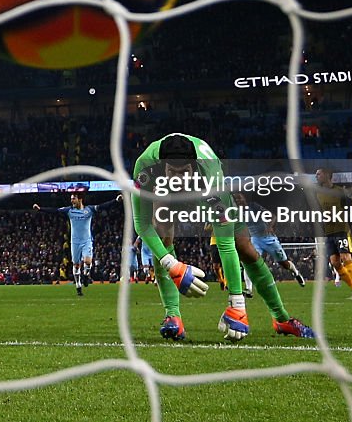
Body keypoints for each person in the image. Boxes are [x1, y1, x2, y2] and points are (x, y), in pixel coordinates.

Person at [132, 133, 314, 342]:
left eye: (184, 172)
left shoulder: (212, 177)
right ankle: (173, 316)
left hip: (202, 192)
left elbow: (225, 244)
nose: (178, 178)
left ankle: (282, 319)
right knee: (161, 235)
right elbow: (142, 224)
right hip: (163, 193)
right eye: (172, 171)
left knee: (244, 247)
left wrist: (237, 305)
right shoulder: (144, 168)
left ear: (194, 166)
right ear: (161, 166)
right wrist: (171, 264)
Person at [33, 192, 122, 296]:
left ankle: (85, 275)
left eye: (73, 198)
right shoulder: (69, 210)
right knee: (76, 265)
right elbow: (55, 211)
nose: (72, 201)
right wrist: (40, 209)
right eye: (71, 199)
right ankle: (78, 286)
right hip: (75, 242)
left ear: (80, 199)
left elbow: (103, 206)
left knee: (88, 262)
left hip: (86, 241)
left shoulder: (89, 210)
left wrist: (116, 200)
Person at [314, 168, 352, 300]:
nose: (316, 176)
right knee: (335, 262)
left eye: (319, 174)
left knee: (346, 258)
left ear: (327, 175)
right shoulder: (318, 193)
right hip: (328, 232)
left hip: (341, 229)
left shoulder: (340, 191)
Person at [244, 197, 307, 287]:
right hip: (255, 240)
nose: (238, 200)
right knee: (250, 262)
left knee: (284, 264)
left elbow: (273, 216)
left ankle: (296, 273)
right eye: (236, 198)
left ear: (244, 198)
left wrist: (270, 226)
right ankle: (248, 289)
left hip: (269, 239)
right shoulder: (236, 211)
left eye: (239, 197)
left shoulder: (253, 206)